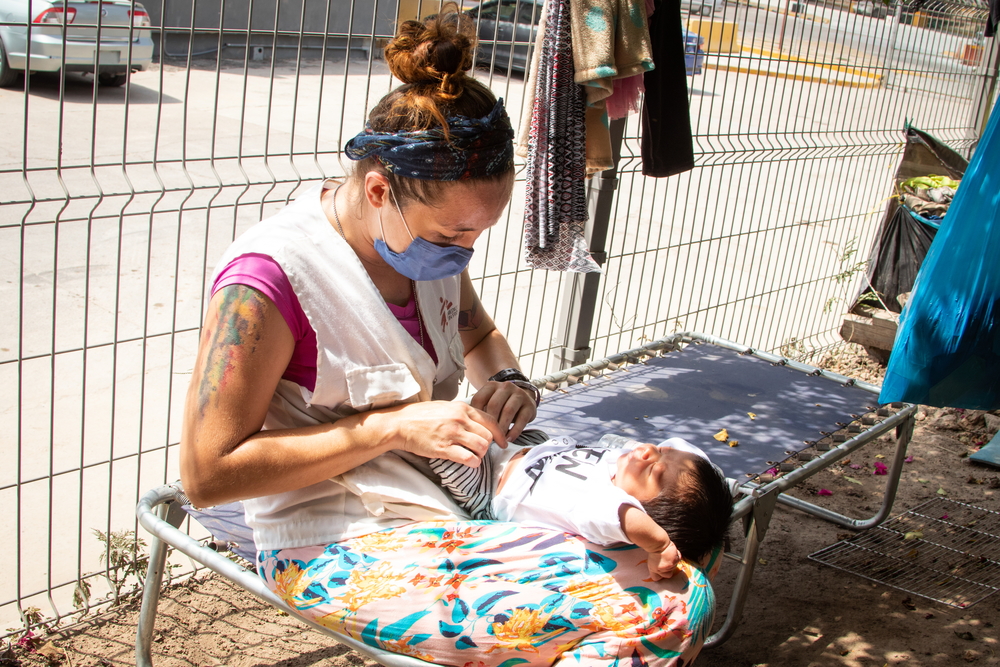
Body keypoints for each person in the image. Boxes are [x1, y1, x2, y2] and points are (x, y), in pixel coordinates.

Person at [180, 6, 719, 665]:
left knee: (678, 567)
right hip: (330, 536)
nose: (465, 253)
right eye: (453, 233)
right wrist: (389, 429)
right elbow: (207, 475)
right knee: (653, 611)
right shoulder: (268, 283)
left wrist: (508, 380)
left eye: (480, 232)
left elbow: (478, 331)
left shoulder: (422, 249)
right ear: (379, 190)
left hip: (447, 508)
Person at [430, 435, 734, 578]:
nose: (648, 450)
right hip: (534, 449)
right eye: (661, 450)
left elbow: (629, 519)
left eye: (653, 470)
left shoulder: (600, 507)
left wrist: (660, 545)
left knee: (441, 442)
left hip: (488, 486)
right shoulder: (622, 468)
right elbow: (684, 452)